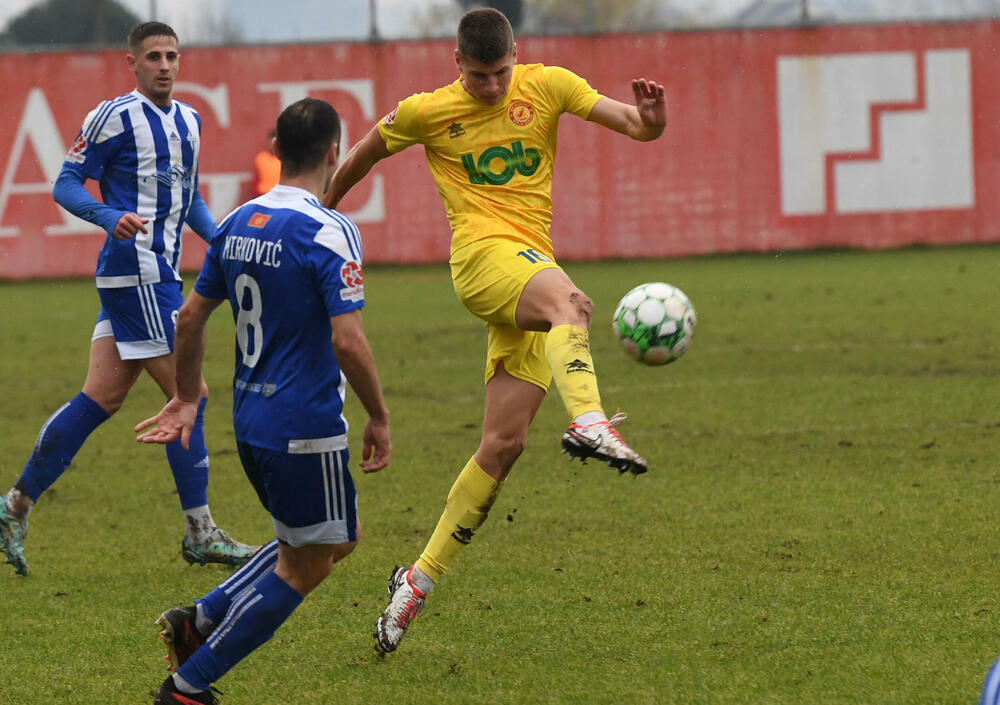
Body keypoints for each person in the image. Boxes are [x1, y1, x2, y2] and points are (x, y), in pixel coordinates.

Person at [322, 7, 666, 653]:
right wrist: (321, 212)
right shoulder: (427, 111)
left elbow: (633, 124)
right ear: (457, 62)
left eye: (501, 73)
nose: (491, 86)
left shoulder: (549, 84)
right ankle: (590, 420)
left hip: (530, 267)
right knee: (573, 304)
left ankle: (414, 582)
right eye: (478, 76)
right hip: (482, 261)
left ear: (517, 55)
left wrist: (653, 121)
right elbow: (365, 152)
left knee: (503, 446)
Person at [135, 97, 391, 705]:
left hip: (251, 419)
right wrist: (379, 415)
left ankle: (198, 619)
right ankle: (188, 686)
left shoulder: (236, 223)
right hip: (305, 424)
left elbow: (190, 317)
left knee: (339, 534)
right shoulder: (328, 229)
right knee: (307, 565)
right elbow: (348, 341)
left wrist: (187, 396)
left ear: (276, 150)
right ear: (335, 152)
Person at [0, 22, 257, 576]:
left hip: (157, 275)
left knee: (101, 397)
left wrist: (223, 242)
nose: (164, 65)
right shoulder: (113, 116)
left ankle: (13, 506)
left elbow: (189, 200)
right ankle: (201, 532)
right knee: (191, 394)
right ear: (132, 63)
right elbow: (66, 183)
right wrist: (107, 215)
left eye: (172, 56)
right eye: (154, 56)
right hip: (135, 272)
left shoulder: (189, 121)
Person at [252, 130, 281, 197]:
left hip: (281, 196)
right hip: (263, 194)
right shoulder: (261, 157)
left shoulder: (286, 159)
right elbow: (256, 179)